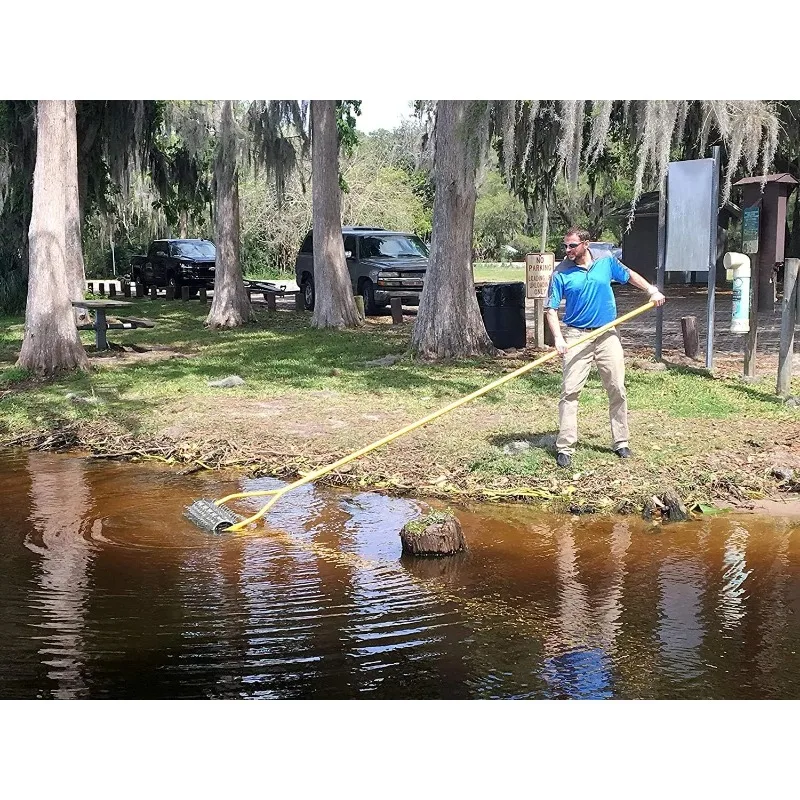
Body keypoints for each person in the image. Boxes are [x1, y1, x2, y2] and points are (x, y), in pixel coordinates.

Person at [545, 227, 666, 469]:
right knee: (570, 392)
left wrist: (651, 290)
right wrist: (559, 338)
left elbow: (629, 275)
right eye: (565, 246)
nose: (567, 250)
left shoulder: (606, 263)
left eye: (572, 246)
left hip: (607, 333)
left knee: (617, 388)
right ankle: (565, 447)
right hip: (577, 335)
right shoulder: (561, 273)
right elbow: (551, 309)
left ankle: (621, 442)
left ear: (585, 244)